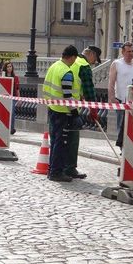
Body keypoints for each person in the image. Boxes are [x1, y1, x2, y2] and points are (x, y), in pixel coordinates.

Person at [43, 45, 80, 182]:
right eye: (74, 60)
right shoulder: (66, 72)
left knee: (54, 142)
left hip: (52, 108)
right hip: (62, 112)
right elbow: (68, 95)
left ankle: (51, 169)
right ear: (72, 57)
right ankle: (56, 172)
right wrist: (75, 112)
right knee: (60, 143)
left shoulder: (54, 67)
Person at [65, 46, 101, 179]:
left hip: (56, 106)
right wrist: (93, 108)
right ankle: (70, 168)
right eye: (95, 60)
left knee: (60, 139)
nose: (93, 63)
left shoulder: (66, 62)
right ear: (91, 54)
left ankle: (57, 167)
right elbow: (89, 89)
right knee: (72, 139)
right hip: (71, 108)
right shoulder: (84, 65)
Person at [108, 42, 133, 148]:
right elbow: (111, 82)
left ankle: (132, 147)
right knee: (121, 125)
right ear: (123, 52)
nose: (131, 53)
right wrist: (112, 97)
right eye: (128, 51)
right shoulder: (117, 64)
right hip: (121, 99)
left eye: (132, 51)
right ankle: (122, 147)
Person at [0, 61, 20, 135]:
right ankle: (4, 127)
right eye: (8, 67)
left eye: (10, 66)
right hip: (4, 97)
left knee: (12, 112)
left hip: (13, 97)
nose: (9, 68)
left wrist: (19, 98)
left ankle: (11, 128)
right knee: (4, 112)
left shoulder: (15, 78)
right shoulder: (2, 76)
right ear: (5, 68)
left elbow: (17, 88)